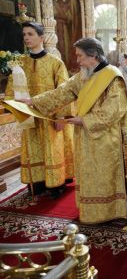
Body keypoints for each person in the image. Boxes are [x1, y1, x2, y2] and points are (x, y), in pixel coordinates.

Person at [17, 37, 127, 224]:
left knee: (106, 177)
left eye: (80, 56)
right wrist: (33, 101)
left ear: (93, 55)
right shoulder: (84, 75)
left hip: (106, 139)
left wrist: (83, 120)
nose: (77, 60)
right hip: (85, 136)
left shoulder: (112, 76)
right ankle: (90, 212)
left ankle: (113, 214)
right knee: (88, 175)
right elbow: (62, 92)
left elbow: (115, 110)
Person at [5, 21, 74, 199]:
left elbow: (64, 91)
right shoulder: (20, 63)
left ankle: (56, 184)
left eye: (30, 34)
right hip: (29, 116)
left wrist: (61, 117)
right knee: (33, 148)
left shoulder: (55, 63)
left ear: (41, 37)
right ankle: (38, 182)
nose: (26, 38)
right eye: (24, 35)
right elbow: (12, 89)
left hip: (50, 116)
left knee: (52, 148)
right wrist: (14, 106)